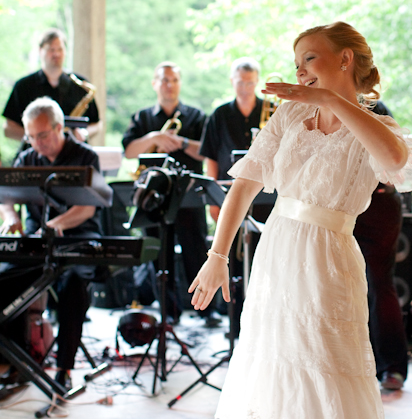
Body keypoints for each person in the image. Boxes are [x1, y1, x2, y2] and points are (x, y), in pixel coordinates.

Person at [190, 22, 412, 419]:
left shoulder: (375, 124)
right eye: (297, 63)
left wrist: (332, 102)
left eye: (310, 60)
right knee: (273, 388)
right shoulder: (292, 114)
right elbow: (245, 183)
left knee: (325, 397)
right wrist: (217, 255)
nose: (300, 73)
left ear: (345, 60)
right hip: (277, 257)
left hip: (328, 262)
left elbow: (395, 163)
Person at [0, 97, 103, 390]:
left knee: (71, 286)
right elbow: (7, 198)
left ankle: (64, 368)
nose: (36, 143)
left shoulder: (85, 156)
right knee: (6, 280)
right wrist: (10, 218)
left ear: (59, 128)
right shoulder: (27, 157)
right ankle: (16, 361)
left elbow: (88, 208)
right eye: (30, 136)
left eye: (41, 136)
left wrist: (56, 225)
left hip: (78, 239)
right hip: (36, 241)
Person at [122, 62, 213, 324]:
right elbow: (129, 151)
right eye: (163, 80)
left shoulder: (195, 116)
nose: (169, 85)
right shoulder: (142, 118)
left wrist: (181, 142)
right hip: (154, 198)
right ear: (154, 84)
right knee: (158, 257)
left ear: (180, 83)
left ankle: (205, 312)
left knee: (195, 252)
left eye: (173, 80)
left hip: (189, 195)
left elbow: (207, 150)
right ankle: (169, 313)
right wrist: (154, 137)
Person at [200, 57, 270, 336]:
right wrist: (214, 201)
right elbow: (211, 159)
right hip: (228, 194)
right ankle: (235, 323)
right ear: (233, 82)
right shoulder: (219, 114)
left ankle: (261, 323)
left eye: (251, 82)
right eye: (241, 82)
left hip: (265, 196)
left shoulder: (271, 110)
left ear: (257, 83)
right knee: (232, 259)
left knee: (261, 258)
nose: (245, 87)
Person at [354, 99, 409, 392]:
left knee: (379, 283)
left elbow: (394, 159)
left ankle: (391, 366)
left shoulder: (376, 107)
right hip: (343, 205)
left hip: (378, 204)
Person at [3, 28, 101, 144]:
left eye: (60, 49)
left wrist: (85, 133)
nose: (56, 54)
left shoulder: (81, 84)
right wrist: (34, 138)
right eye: (51, 50)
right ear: (40, 51)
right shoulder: (23, 86)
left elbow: (97, 124)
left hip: (74, 155)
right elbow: (8, 128)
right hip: (35, 156)